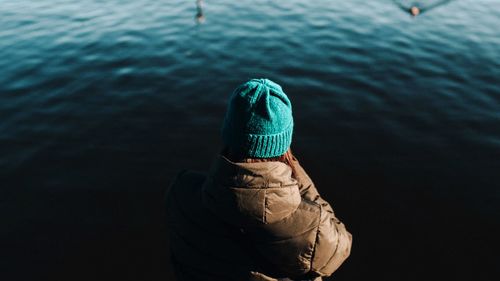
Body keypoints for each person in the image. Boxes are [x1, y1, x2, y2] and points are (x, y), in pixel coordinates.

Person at [165, 79, 352, 281]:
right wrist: (293, 167)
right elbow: (341, 246)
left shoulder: (181, 191)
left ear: (229, 133)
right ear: (284, 144)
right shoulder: (314, 228)